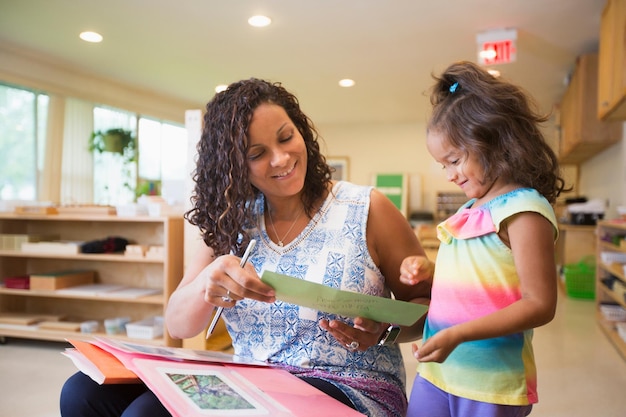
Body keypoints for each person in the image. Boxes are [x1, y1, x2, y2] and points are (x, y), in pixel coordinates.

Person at [59, 78, 433, 417]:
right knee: (83, 394)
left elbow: (430, 307)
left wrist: (386, 329)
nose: (281, 159)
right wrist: (209, 280)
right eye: (257, 153)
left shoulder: (367, 208)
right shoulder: (230, 220)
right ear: (234, 165)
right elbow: (178, 321)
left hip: (350, 387)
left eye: (286, 138)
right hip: (253, 380)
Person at [400, 61, 569, 417]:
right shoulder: (469, 209)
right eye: (443, 165)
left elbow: (540, 304)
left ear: (492, 140)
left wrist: (458, 334)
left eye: (455, 160)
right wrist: (427, 270)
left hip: (490, 384)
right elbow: (478, 272)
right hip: (437, 371)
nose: (449, 175)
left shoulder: (523, 209)